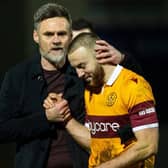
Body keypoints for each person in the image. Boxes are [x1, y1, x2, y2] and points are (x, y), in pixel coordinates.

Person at [0, 3, 140, 168]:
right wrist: (46, 118)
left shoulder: (84, 72)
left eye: (62, 34)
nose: (56, 40)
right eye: (49, 34)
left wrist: (123, 59)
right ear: (36, 36)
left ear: (70, 36)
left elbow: (135, 91)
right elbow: (3, 129)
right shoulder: (18, 76)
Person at [44, 32, 159, 168]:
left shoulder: (134, 86)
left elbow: (148, 146)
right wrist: (65, 116)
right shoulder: (90, 89)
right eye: (76, 69)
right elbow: (96, 141)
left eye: (82, 66)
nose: (79, 74)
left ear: (99, 54)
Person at [72, 18, 144, 76]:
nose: (80, 46)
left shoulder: (111, 61)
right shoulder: (64, 71)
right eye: (75, 42)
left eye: (85, 40)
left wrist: (122, 60)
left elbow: (138, 80)